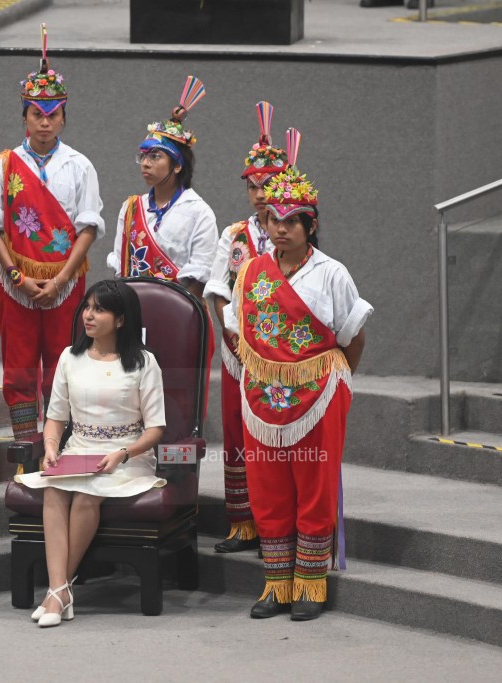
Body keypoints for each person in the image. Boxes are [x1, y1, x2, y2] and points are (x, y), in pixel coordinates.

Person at [224, 135, 373, 620]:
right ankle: (276, 583)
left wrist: (332, 383)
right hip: (261, 396)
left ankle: (310, 583)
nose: (281, 228)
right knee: (268, 486)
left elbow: (353, 337)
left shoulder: (332, 273)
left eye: (292, 220)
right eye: (274, 219)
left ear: (311, 225)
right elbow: (237, 331)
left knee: (314, 484)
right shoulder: (250, 273)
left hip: (318, 394)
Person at [14, 280, 166, 628]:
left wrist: (123, 454)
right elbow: (55, 418)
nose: (88, 315)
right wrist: (51, 446)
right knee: (54, 490)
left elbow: (156, 429)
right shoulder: (70, 357)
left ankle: (57, 593)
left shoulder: (144, 363)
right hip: (79, 449)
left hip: (126, 455)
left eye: (99, 309)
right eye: (87, 307)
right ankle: (60, 590)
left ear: (121, 319)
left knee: (86, 495)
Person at [0, 25, 104, 441]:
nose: (45, 122)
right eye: (37, 114)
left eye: (53, 114)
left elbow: (88, 228)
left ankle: (61, 446)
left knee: (64, 363)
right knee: (18, 365)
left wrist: (61, 279)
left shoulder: (80, 166)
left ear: (64, 117)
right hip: (16, 282)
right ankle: (25, 446)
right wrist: (16, 275)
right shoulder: (3, 165)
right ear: (24, 117)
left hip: (65, 282)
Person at [203, 101, 286, 554]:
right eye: (252, 186)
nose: (258, 194)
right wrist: (230, 331)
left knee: (275, 436)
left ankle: (280, 523)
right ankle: (243, 522)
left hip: (280, 355)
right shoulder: (235, 234)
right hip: (238, 351)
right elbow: (217, 288)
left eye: (267, 184)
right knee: (237, 434)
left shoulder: (293, 234)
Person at [106, 77, 218, 304]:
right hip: (134, 311)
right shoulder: (131, 208)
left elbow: (200, 278)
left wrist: (174, 313)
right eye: (143, 156)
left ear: (177, 165)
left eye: (155, 156)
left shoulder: (199, 212)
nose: (146, 163)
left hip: (181, 312)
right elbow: (121, 267)